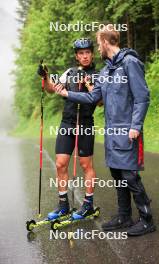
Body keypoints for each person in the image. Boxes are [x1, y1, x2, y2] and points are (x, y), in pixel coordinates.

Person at [56, 25, 156, 236]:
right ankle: (124, 216)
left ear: (104, 42)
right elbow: (93, 97)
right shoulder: (106, 70)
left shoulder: (130, 63)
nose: (96, 49)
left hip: (128, 131)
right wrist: (67, 94)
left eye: (98, 43)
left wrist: (136, 126)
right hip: (112, 132)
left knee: (130, 175)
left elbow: (142, 97)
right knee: (117, 173)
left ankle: (147, 219)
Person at [37, 38, 98, 220]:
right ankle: (63, 205)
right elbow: (50, 89)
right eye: (81, 53)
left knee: (85, 165)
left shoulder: (98, 74)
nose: (85, 56)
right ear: (76, 56)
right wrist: (45, 77)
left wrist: (88, 83)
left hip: (85, 123)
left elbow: (100, 101)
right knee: (60, 163)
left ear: (92, 54)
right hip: (67, 123)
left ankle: (88, 204)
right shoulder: (70, 73)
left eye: (88, 52)